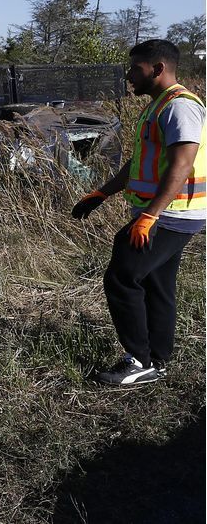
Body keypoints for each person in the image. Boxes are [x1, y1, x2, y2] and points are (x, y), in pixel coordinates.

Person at [71, 39, 205, 386]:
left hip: (173, 214)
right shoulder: (156, 106)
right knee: (155, 282)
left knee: (122, 277)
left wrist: (150, 216)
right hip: (163, 212)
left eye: (135, 69)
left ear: (158, 69)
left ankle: (137, 362)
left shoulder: (179, 107)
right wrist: (102, 193)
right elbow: (140, 162)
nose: (129, 76)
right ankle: (157, 360)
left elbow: (182, 163)